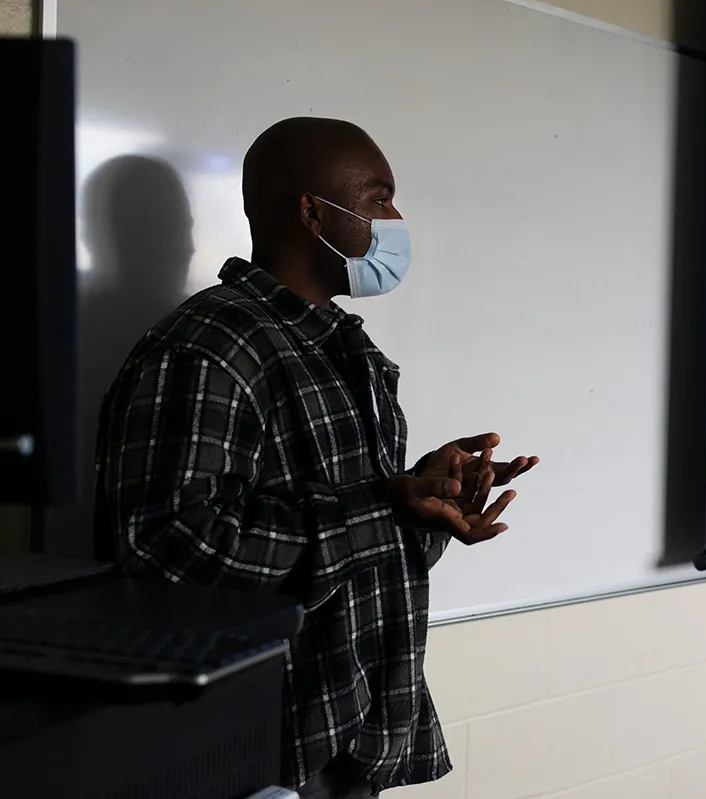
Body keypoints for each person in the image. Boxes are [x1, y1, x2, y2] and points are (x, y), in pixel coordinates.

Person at [94, 117, 538, 798]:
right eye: (378, 199)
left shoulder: (347, 353)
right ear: (311, 211)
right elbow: (168, 548)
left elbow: (365, 542)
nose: (395, 220)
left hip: (352, 734)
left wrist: (432, 500)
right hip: (258, 755)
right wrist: (386, 505)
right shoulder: (208, 348)